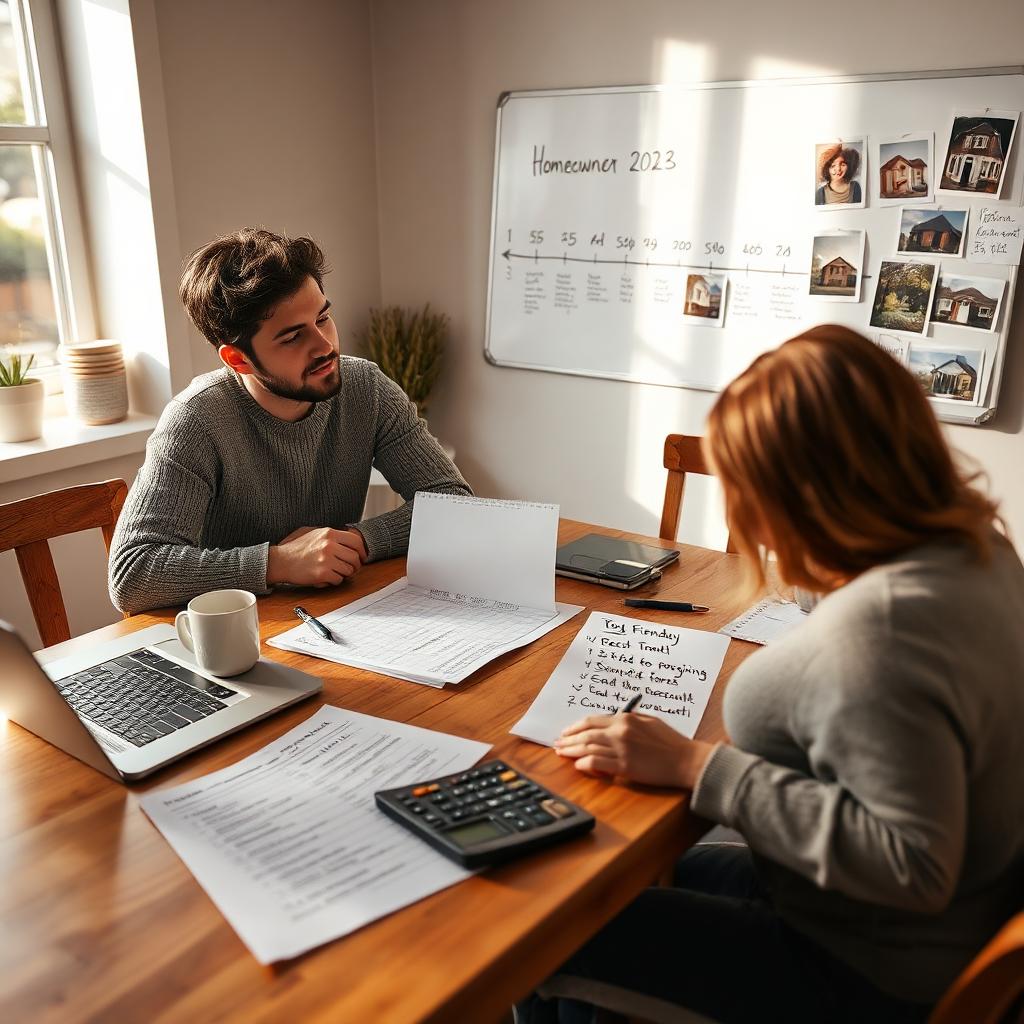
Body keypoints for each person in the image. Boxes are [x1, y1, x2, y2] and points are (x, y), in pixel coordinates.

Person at [519, 325, 1024, 1024]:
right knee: (577, 879)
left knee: (542, 935)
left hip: (863, 972)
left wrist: (701, 767)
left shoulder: (880, 635)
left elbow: (913, 864)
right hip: (917, 919)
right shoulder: (974, 550)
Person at [108, 228, 471, 614]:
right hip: (239, 637)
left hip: (336, 617)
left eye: (323, 318)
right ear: (238, 359)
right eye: (293, 337)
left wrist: (358, 541)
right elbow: (133, 574)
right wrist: (279, 562)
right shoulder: (195, 421)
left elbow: (455, 504)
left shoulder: (367, 388)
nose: (325, 345)